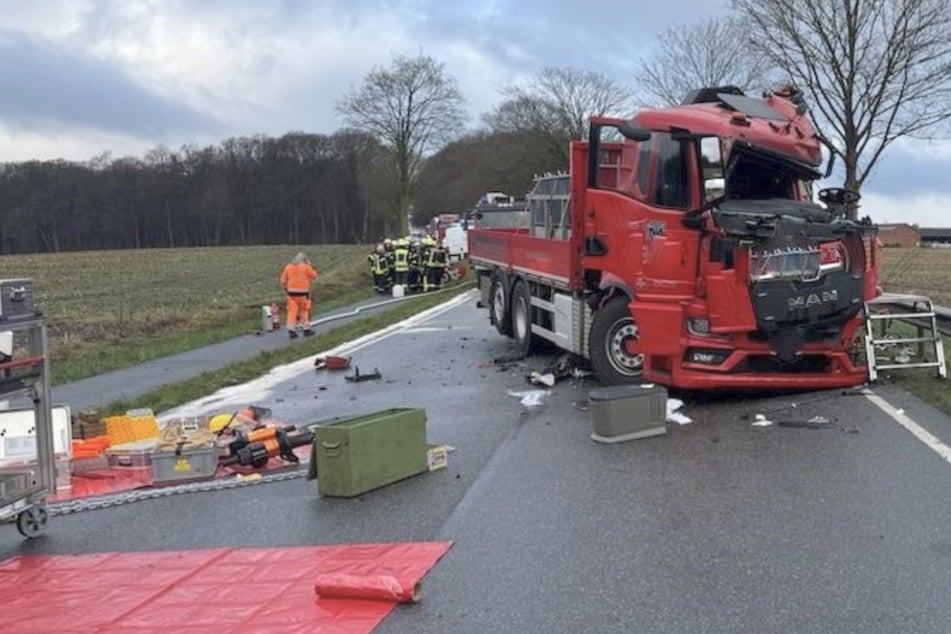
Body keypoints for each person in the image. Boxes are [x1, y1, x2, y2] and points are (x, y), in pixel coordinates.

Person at [279, 252, 318, 338]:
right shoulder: (306, 267)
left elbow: (283, 280)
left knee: (292, 311)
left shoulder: (288, 267)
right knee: (304, 311)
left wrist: (287, 288)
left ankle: (291, 331)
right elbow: (314, 276)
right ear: (304, 260)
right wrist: (310, 265)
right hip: (303, 293)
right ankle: (306, 330)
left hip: (291, 294)